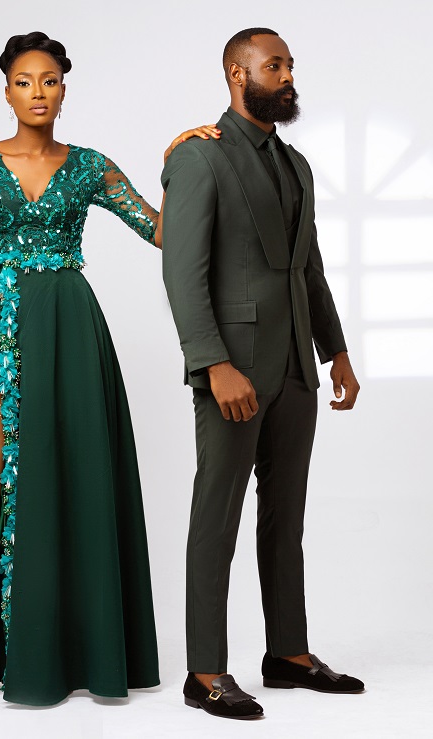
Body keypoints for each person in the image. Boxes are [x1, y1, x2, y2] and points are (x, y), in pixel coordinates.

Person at [0, 31, 219, 713]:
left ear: (64, 89)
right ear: (7, 92)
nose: (38, 92)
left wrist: (183, 162)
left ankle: (63, 650)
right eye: (24, 81)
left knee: (64, 485)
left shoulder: (89, 166)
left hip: (68, 327)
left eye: (50, 80)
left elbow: (162, 230)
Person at [161, 27, 365, 721]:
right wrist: (213, 362)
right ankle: (204, 671)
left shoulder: (296, 163)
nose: (286, 76)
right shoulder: (199, 157)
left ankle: (288, 654)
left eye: (289, 66)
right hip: (234, 370)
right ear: (235, 73)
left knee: (286, 516)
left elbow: (309, 268)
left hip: (296, 367)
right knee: (216, 516)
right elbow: (182, 273)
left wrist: (335, 351)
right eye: (273, 65)